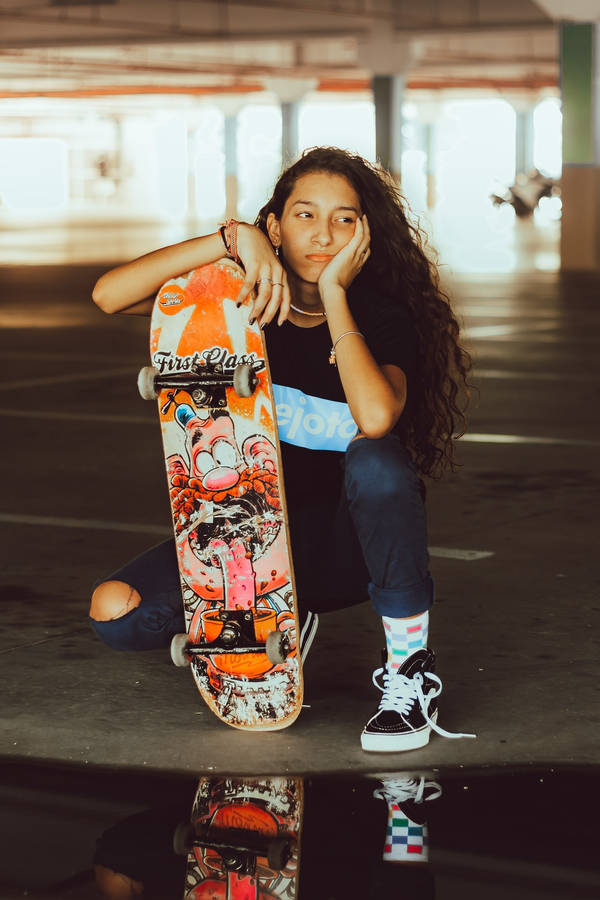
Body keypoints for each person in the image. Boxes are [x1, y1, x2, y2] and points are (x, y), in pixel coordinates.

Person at [90, 146, 475, 751]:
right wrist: (231, 238)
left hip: (346, 554)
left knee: (377, 460)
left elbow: (375, 418)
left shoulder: (383, 315)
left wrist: (335, 293)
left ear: (365, 233)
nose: (323, 233)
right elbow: (110, 295)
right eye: (303, 215)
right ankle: (288, 620)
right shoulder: (230, 306)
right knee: (117, 613)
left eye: (344, 218)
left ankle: (409, 673)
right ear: (275, 224)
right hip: (248, 551)